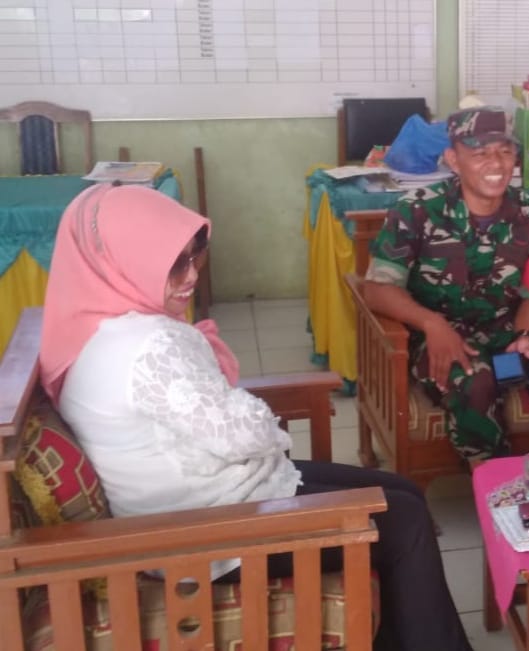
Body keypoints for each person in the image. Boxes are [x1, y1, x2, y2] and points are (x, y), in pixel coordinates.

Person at [39, 184, 471, 651]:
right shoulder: (150, 346)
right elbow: (243, 434)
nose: (191, 276)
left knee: (401, 491)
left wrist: (232, 404)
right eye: (173, 265)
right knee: (404, 519)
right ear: (126, 264)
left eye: (195, 256)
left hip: (200, 504)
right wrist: (252, 414)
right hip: (206, 536)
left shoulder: (96, 328)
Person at [362, 107, 529, 460]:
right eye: (480, 153)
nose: (496, 163)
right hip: (441, 337)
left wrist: (525, 336)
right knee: (476, 383)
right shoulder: (416, 210)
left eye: (505, 151)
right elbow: (376, 289)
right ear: (453, 159)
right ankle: (495, 486)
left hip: (507, 333)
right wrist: (432, 324)